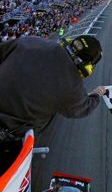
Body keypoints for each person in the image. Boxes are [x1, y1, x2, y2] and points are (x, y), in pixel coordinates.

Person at [0, 34, 106, 173]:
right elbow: (83, 108)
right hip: (7, 134)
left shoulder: (31, 41)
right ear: (88, 64)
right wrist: (97, 94)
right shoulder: (72, 86)